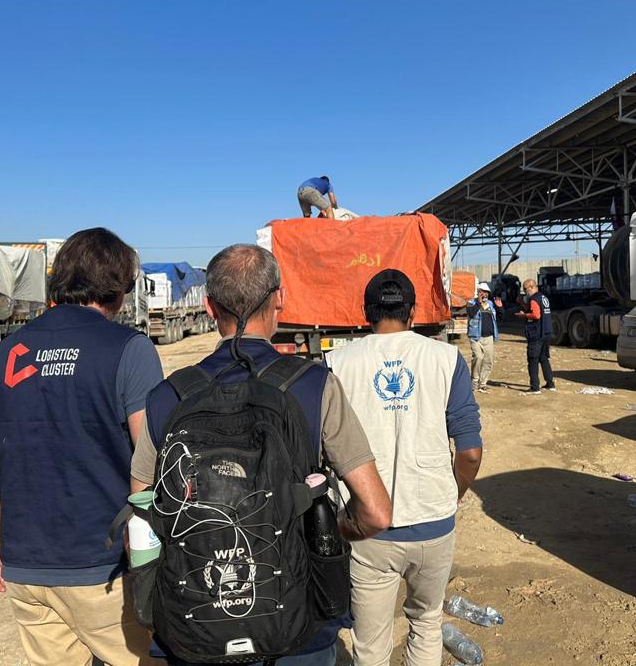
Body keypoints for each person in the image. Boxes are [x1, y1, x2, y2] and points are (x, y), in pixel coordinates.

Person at [130, 243, 392, 666]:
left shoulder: (167, 397)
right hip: (298, 627)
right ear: (279, 300)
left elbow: (143, 517)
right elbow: (377, 512)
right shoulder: (314, 386)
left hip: (196, 629)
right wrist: (327, 530)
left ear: (210, 307)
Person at [0, 228, 164, 666]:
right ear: (117, 288)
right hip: (105, 571)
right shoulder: (129, 350)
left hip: (27, 571)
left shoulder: (5, 353)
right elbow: (154, 459)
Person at [324, 269, 483, 666]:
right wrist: (453, 494)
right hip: (433, 522)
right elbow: (470, 452)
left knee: (370, 643)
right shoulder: (447, 359)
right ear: (412, 311)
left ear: (366, 312)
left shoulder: (337, 364)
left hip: (367, 528)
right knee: (427, 623)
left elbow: (321, 450)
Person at [514, 278, 556, 394]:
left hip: (536, 333)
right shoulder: (543, 297)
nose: (524, 291)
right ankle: (550, 383)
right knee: (544, 359)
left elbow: (536, 315)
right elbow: (536, 310)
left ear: (531, 287)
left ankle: (535, 387)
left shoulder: (534, 299)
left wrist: (524, 315)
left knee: (533, 359)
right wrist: (522, 303)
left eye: (525, 289)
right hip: (546, 333)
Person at [466, 282, 503, 392]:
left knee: (488, 360)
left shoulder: (491, 304)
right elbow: (472, 313)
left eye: (486, 292)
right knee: (478, 357)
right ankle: (474, 381)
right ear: (478, 292)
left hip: (489, 337)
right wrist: (478, 302)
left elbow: (501, 317)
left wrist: (500, 307)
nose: (485, 294)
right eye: (482, 292)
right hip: (476, 336)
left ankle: (483, 383)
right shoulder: (471, 303)